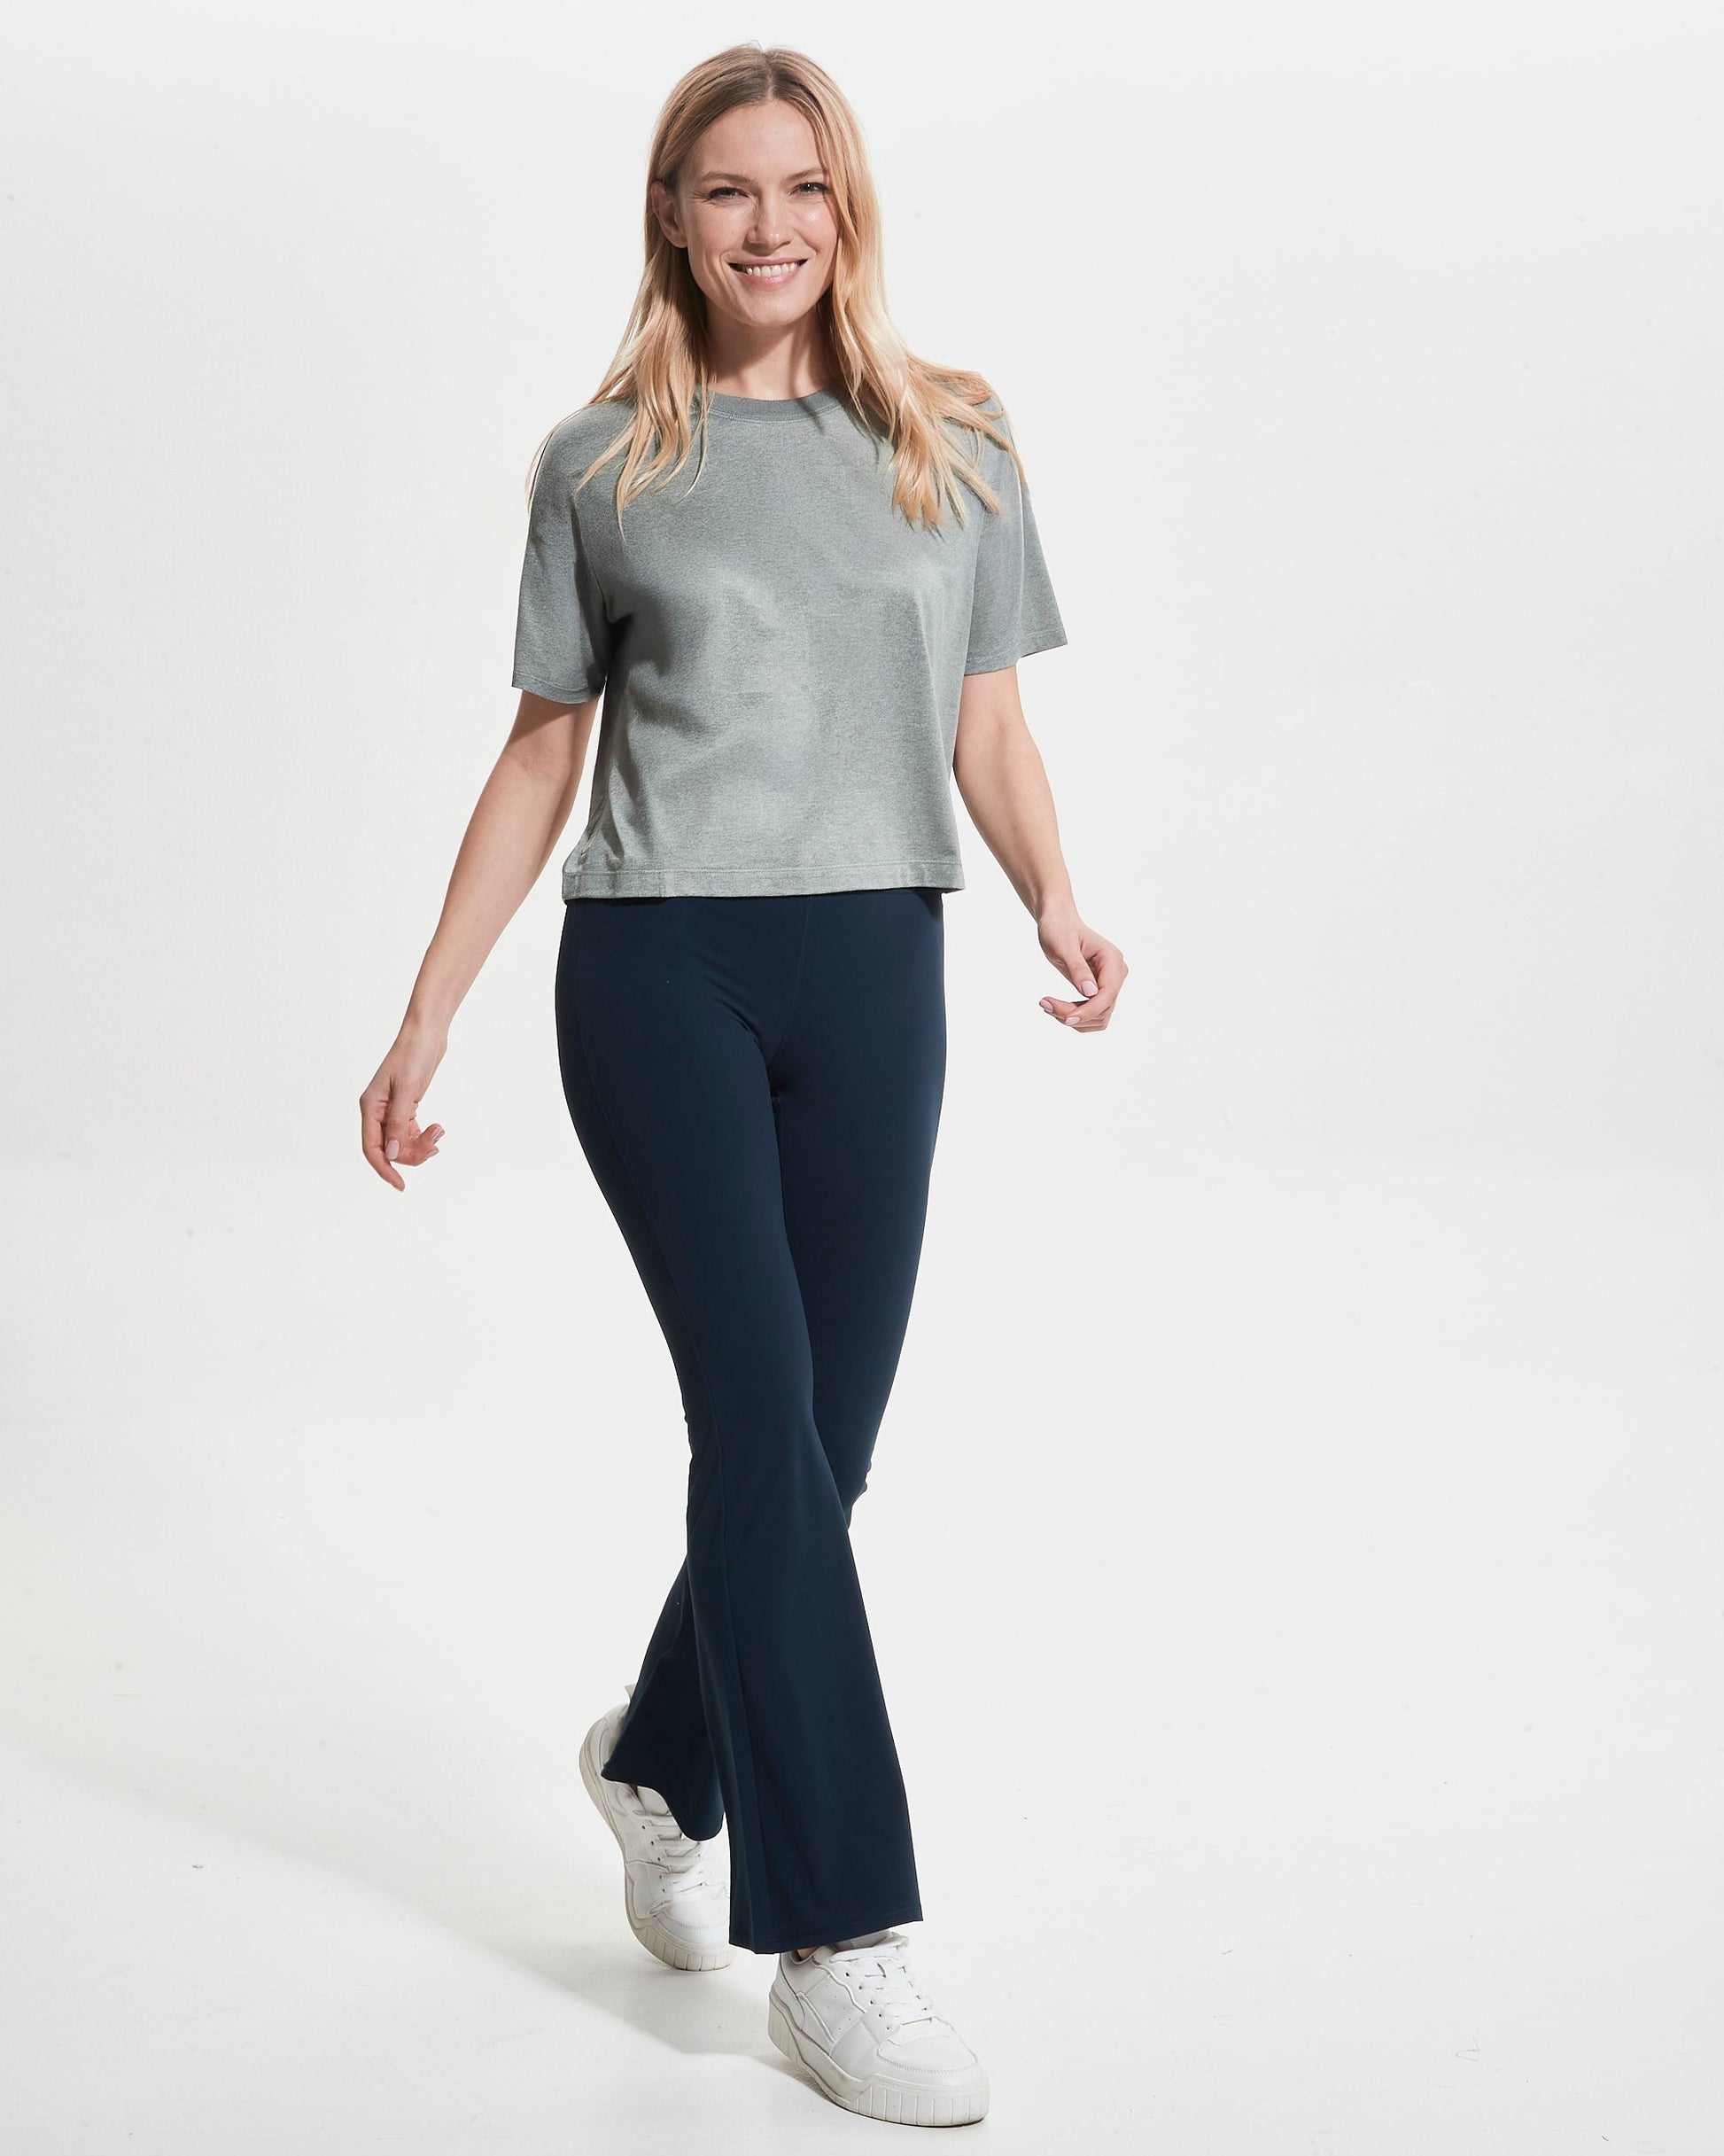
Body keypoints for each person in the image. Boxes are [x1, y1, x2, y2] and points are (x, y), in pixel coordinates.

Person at [360, 41, 1126, 2131]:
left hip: (878, 962)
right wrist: (428, 1009)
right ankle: (838, 1941)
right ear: (672, 219)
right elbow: (544, 746)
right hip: (661, 964)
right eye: (726, 190)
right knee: (760, 1425)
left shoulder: (953, 438)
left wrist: (1057, 893)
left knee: (822, 1442)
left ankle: (661, 1759)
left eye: (800, 186)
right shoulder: (601, 462)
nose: (768, 224)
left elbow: (986, 719)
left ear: (843, 207)